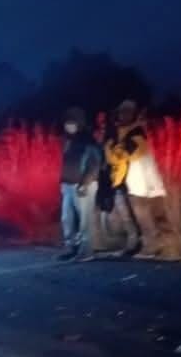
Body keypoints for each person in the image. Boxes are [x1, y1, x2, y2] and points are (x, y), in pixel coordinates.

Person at [103, 100, 168, 257]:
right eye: (122, 111)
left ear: (134, 113)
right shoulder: (119, 131)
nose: (124, 114)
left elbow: (125, 155)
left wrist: (113, 151)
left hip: (136, 181)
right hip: (121, 180)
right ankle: (135, 245)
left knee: (142, 215)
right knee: (128, 216)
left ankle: (152, 246)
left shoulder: (136, 132)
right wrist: (114, 152)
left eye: (129, 111)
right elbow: (112, 156)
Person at [58, 107, 102, 261]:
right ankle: (71, 247)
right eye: (67, 123)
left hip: (84, 185)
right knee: (66, 218)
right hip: (68, 185)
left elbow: (94, 163)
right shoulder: (68, 140)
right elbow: (66, 163)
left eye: (72, 122)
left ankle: (86, 251)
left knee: (85, 220)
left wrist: (85, 182)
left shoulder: (87, 139)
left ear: (79, 123)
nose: (68, 126)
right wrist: (62, 182)